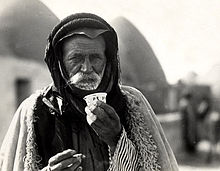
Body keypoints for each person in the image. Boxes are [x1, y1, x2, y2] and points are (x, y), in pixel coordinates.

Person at [0, 13, 178, 171]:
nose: (86, 68)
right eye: (75, 58)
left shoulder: (132, 104)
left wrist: (117, 139)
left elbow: (156, 166)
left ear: (108, 61)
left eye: (95, 58)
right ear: (60, 63)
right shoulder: (34, 110)